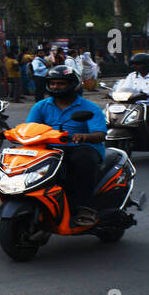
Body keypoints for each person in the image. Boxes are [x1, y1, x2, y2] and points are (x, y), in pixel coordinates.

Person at [16, 65, 108, 227]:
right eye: (52, 83)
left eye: (61, 83)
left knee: (83, 160)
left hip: (81, 147)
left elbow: (100, 134)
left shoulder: (89, 107)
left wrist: (84, 136)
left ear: (73, 84)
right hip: (50, 148)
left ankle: (84, 207)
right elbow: (30, 128)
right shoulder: (41, 106)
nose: (55, 87)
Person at [113, 53, 149, 133]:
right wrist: (114, 93)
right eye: (133, 64)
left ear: (148, 64)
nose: (134, 66)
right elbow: (125, 88)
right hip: (135, 104)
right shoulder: (131, 76)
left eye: (138, 64)